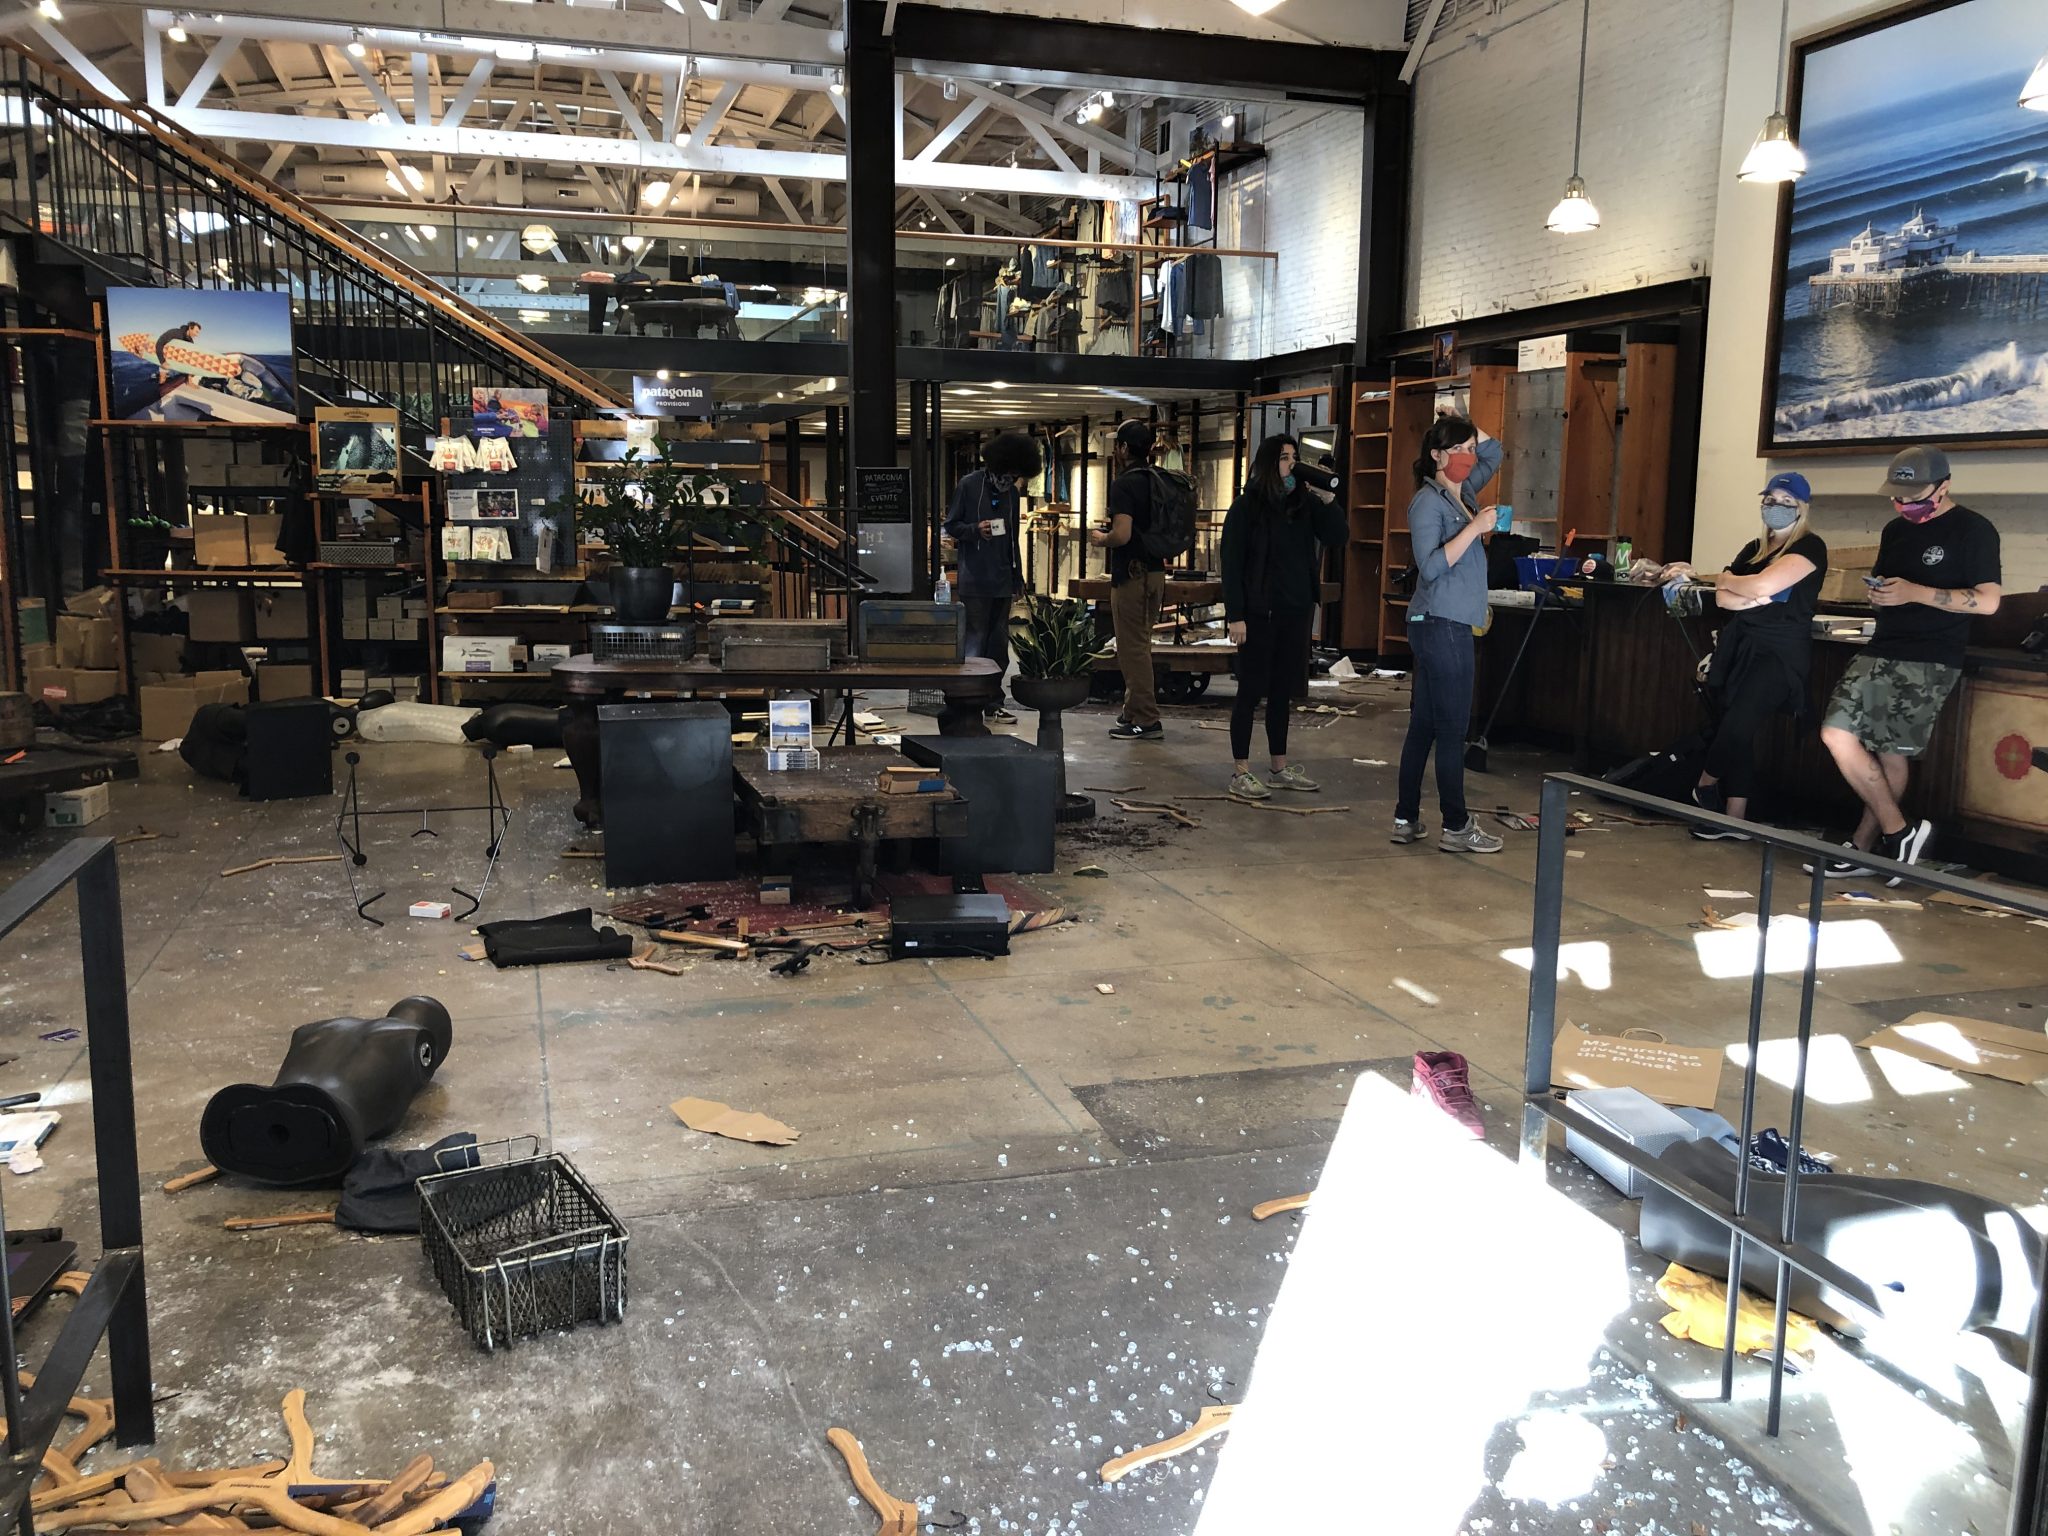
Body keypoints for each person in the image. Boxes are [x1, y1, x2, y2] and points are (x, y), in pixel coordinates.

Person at [1816, 445, 2000, 881]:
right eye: (1898, 498)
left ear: (1944, 486)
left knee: (1890, 750)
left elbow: (1989, 601)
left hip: (1930, 656)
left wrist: (1915, 592)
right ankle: (1901, 832)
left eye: (1915, 497)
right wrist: (1879, 595)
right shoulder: (1895, 530)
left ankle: (1864, 847)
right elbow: (1888, 583)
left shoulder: (1974, 530)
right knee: (1836, 733)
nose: (1905, 505)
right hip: (1883, 644)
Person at [1658, 472, 1828, 839]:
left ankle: (1704, 785)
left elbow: (1762, 584)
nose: (1776, 507)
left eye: (1786, 502)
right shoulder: (1754, 548)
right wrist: (1741, 589)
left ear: (1801, 508)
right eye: (1771, 500)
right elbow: (1723, 598)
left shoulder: (1810, 547)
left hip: (1780, 653)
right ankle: (1734, 820)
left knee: (1740, 724)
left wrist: (1736, 582)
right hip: (1741, 645)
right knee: (1733, 728)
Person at [1392, 414, 1505, 854]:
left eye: (1469, 449)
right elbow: (1431, 566)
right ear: (1436, 455)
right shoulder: (1428, 503)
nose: (1468, 457)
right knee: (1452, 730)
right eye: (1457, 449)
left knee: (1424, 725)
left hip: (1448, 624)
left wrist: (1467, 423)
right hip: (1442, 625)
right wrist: (1475, 530)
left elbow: (1495, 452)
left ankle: (1406, 818)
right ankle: (1457, 825)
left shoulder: (1465, 493)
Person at [1218, 434, 1345, 799]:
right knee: (1250, 689)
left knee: (1281, 692)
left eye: (1295, 457)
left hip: (1295, 610)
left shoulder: (1303, 503)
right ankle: (1241, 771)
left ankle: (1279, 767)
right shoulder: (1247, 507)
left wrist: (1329, 501)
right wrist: (1235, 616)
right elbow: (1232, 564)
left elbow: (1338, 535)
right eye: (1285, 458)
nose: (1292, 464)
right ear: (1269, 463)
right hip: (1259, 613)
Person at [942, 431, 1038, 723]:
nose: (1012, 478)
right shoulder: (969, 485)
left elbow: (1013, 538)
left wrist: (1018, 576)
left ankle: (993, 702)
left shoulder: (1013, 494)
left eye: (1017, 474)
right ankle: (967, 699)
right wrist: (975, 530)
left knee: (998, 645)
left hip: (1002, 580)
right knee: (975, 642)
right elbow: (951, 525)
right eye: (1010, 472)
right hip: (974, 579)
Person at [1089, 420, 1167, 741]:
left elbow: (1122, 535)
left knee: (1131, 649)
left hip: (1133, 575)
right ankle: (1132, 711)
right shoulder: (1158, 479)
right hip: (1157, 573)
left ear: (1123, 448)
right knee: (1140, 644)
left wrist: (1100, 538)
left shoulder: (1124, 484)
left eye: (1117, 445)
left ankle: (1147, 719)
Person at [154, 321, 202, 386]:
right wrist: (162, 361)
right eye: (196, 332)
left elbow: (189, 358)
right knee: (162, 379)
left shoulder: (190, 342)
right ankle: (160, 386)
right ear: (190, 328)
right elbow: (160, 343)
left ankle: (187, 381)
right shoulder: (175, 332)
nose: (197, 335)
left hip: (176, 362)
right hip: (165, 358)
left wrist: (190, 379)